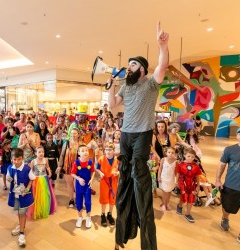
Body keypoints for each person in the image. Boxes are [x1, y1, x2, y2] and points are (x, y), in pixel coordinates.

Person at [108, 22, 169, 249]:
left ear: (142, 68)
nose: (128, 67)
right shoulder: (127, 86)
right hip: (125, 135)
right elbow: (113, 105)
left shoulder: (151, 84)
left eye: (132, 64)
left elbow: (163, 65)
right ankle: (121, 235)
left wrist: (163, 46)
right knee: (124, 179)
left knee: (140, 181)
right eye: (128, 64)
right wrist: (111, 87)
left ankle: (146, 240)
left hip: (142, 135)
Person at [215, 127, 240, 246]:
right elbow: (221, 165)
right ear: (237, 136)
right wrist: (217, 180)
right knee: (227, 208)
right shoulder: (229, 149)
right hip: (232, 186)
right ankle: (225, 218)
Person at [7, 148, 35, 247]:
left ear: (22, 158)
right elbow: (8, 177)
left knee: (22, 212)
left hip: (24, 195)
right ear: (11, 159)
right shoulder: (10, 168)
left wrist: (27, 189)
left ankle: (22, 234)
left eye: (19, 159)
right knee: (19, 211)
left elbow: (32, 179)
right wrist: (9, 179)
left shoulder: (27, 169)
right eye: (14, 159)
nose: (17, 162)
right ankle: (20, 225)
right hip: (15, 195)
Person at [28, 146, 57, 220]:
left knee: (45, 194)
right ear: (36, 153)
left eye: (42, 152)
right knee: (36, 195)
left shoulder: (45, 160)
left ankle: (44, 208)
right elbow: (31, 171)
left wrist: (49, 172)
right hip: (36, 179)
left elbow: (47, 167)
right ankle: (37, 209)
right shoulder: (33, 161)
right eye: (39, 152)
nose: (41, 154)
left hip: (44, 179)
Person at [71, 145, 95, 229]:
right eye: (83, 150)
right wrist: (79, 178)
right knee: (78, 202)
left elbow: (93, 172)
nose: (85, 152)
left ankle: (88, 217)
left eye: (86, 150)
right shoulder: (76, 163)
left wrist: (92, 179)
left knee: (88, 202)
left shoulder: (90, 162)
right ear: (78, 153)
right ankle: (80, 217)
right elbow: (72, 173)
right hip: (79, 185)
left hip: (87, 185)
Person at [96, 142, 119, 227]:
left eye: (110, 150)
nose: (108, 152)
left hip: (113, 181)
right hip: (104, 181)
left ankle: (110, 214)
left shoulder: (117, 160)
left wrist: (118, 172)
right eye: (106, 150)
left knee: (112, 198)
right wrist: (100, 172)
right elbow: (97, 168)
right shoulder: (101, 159)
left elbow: (120, 169)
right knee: (104, 197)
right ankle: (103, 214)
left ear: (113, 150)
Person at [57, 127, 82, 208]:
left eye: (75, 133)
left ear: (78, 135)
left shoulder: (81, 144)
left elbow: (85, 156)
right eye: (72, 133)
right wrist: (60, 166)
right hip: (67, 166)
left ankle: (78, 200)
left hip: (79, 168)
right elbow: (62, 155)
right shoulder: (66, 143)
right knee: (70, 184)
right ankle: (71, 199)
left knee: (77, 185)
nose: (73, 135)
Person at [176, 148, 202, 223]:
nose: (190, 158)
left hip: (192, 184)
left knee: (191, 197)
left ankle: (188, 213)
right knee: (184, 197)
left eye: (192, 157)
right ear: (184, 155)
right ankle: (180, 205)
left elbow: (197, 176)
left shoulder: (196, 166)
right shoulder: (180, 165)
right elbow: (178, 174)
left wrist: (198, 185)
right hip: (183, 183)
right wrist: (176, 182)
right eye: (188, 156)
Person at [158, 147, 177, 211]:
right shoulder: (163, 159)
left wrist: (176, 180)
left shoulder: (176, 161)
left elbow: (176, 171)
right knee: (164, 192)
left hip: (171, 179)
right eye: (169, 152)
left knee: (169, 192)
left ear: (175, 153)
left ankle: (167, 203)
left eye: (172, 153)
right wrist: (159, 176)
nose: (171, 154)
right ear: (166, 153)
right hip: (164, 178)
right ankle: (163, 204)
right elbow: (160, 168)